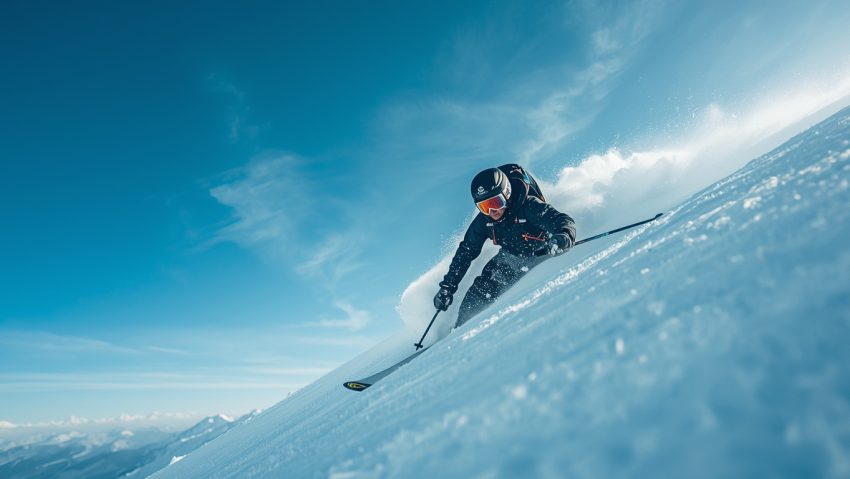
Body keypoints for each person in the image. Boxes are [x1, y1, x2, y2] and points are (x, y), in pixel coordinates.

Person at [434, 164, 576, 328]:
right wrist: (447, 287)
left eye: (496, 202)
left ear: (507, 194)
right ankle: (459, 330)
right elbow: (465, 252)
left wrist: (563, 237)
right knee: (476, 296)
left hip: (543, 251)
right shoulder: (484, 222)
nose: (492, 211)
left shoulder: (528, 205)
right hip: (510, 258)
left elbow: (561, 221)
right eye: (485, 207)